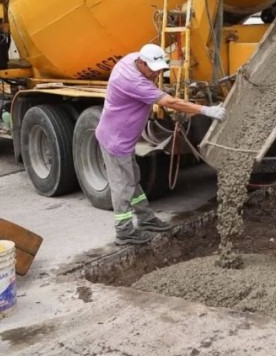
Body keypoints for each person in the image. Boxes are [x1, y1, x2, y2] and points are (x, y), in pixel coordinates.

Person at [95, 44, 227, 246]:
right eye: (153, 70)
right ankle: (124, 232)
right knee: (122, 186)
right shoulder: (134, 82)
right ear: (141, 63)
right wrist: (205, 110)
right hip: (116, 141)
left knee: (133, 179)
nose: (157, 74)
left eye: (160, 69)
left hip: (124, 139)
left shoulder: (131, 59)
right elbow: (171, 103)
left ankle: (146, 219)